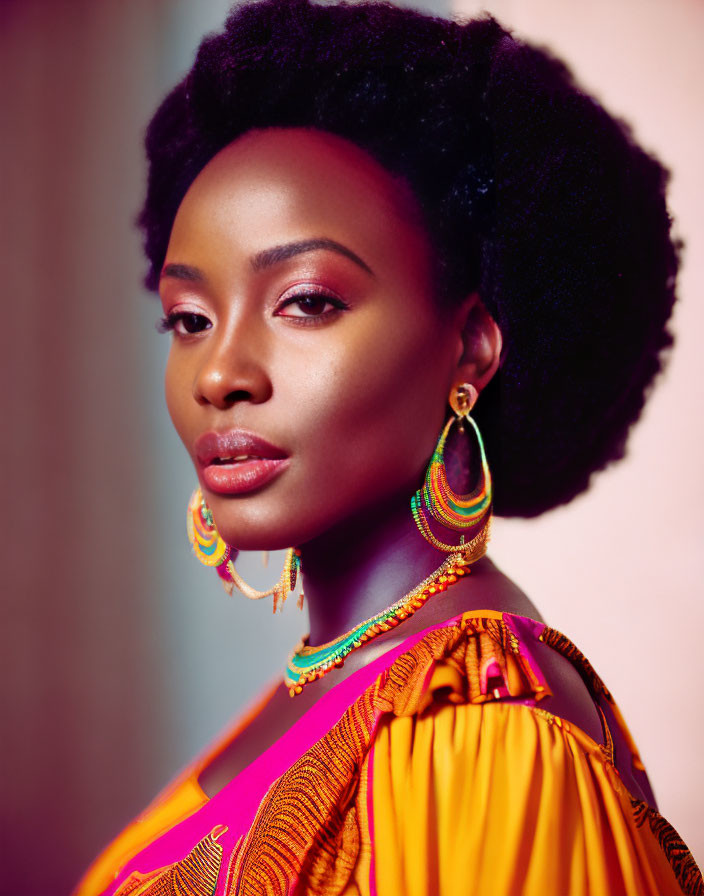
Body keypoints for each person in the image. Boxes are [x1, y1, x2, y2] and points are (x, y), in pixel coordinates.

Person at [73, 0, 703, 893]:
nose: (220, 374)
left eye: (307, 302)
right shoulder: (326, 686)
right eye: (189, 319)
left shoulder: (488, 735)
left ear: (471, 347)